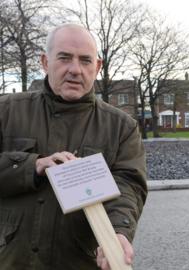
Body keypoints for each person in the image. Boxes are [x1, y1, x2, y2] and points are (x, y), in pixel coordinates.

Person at [0, 24, 147, 270]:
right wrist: (32, 165)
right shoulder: (6, 111)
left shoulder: (121, 127)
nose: (75, 70)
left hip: (80, 261)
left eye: (85, 60)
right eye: (64, 58)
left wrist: (119, 232)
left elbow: (128, 187)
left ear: (97, 67)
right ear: (46, 62)